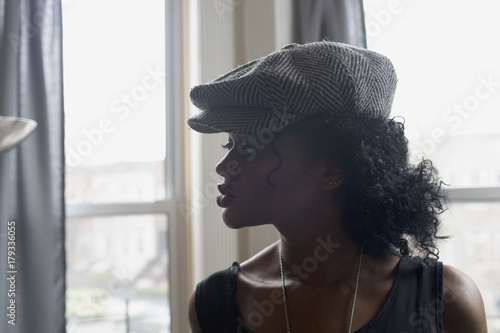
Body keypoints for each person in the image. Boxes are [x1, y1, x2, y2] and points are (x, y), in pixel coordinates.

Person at [186, 41, 487, 333]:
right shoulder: (214, 305)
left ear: (332, 168)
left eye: (250, 147)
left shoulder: (444, 301)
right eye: (229, 144)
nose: (224, 166)